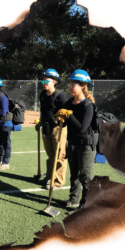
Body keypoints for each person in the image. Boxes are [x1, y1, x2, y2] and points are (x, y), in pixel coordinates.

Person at [54, 69, 96, 210]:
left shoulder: (88, 105)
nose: (70, 87)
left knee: (85, 178)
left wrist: (69, 115)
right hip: (72, 143)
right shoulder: (70, 103)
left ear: (82, 86)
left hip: (86, 146)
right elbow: (66, 123)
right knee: (74, 175)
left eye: (73, 85)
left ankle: (85, 206)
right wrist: (61, 119)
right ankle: (73, 200)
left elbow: (82, 128)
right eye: (69, 84)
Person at [35, 69, 68, 189]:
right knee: (50, 155)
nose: (44, 82)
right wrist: (40, 123)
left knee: (60, 155)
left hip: (58, 128)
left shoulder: (60, 96)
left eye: (47, 81)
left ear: (54, 82)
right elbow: (43, 111)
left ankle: (58, 180)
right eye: (43, 80)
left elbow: (67, 113)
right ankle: (49, 176)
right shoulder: (43, 95)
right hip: (46, 128)